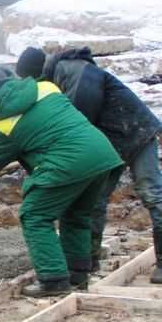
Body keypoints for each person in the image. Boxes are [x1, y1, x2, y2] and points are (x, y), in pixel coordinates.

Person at [0, 67, 123, 297]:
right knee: (77, 215)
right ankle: (77, 275)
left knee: (34, 216)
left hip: (68, 162)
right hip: (100, 154)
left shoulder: (4, 125)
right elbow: (50, 125)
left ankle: (54, 280)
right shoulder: (46, 87)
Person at [17, 47, 162, 282]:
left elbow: (78, 118)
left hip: (137, 131)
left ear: (36, 74)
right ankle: (89, 260)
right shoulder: (60, 76)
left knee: (153, 195)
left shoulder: (75, 70)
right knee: (94, 201)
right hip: (110, 142)